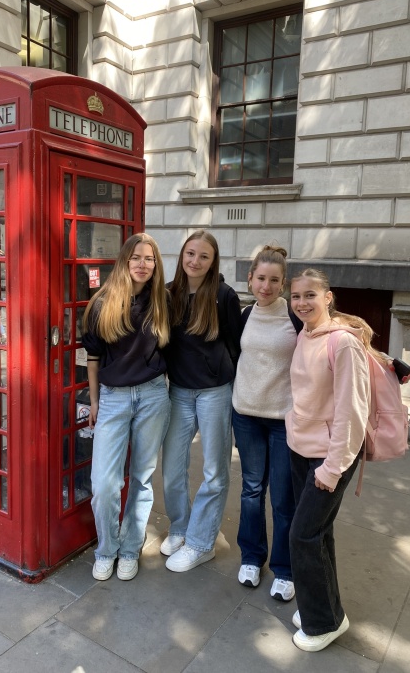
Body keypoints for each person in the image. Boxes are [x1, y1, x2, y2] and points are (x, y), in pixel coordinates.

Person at [286, 268, 371, 652]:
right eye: (296, 296)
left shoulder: (343, 343)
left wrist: (333, 468)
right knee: (318, 534)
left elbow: (352, 411)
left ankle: (323, 624)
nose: (302, 303)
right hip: (300, 448)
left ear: (328, 297)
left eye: (310, 295)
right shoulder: (305, 334)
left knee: (303, 535)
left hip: (329, 455)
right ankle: (325, 609)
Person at [82, 233, 171, 582]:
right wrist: (94, 401)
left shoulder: (162, 301)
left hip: (153, 396)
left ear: (156, 264)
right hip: (114, 398)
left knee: (141, 478)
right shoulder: (103, 303)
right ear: (125, 261)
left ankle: (131, 547)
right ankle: (107, 549)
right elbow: (93, 358)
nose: (142, 264)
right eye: (136, 257)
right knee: (104, 483)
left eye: (149, 258)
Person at [161, 229, 242, 572]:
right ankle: (181, 527)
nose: (195, 261)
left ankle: (201, 542)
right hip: (178, 391)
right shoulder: (168, 293)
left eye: (204, 256)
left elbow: (236, 345)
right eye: (190, 253)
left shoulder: (224, 296)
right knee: (171, 467)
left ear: (213, 262)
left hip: (214, 392)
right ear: (182, 255)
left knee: (214, 471)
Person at [232, 245, 301, 601]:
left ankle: (285, 569)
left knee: (283, 498)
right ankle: (251, 556)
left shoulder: (295, 317)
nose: (266, 286)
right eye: (261, 278)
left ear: (283, 283)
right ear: (250, 279)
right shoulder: (245, 315)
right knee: (251, 489)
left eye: (274, 280)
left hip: (283, 420)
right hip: (246, 415)